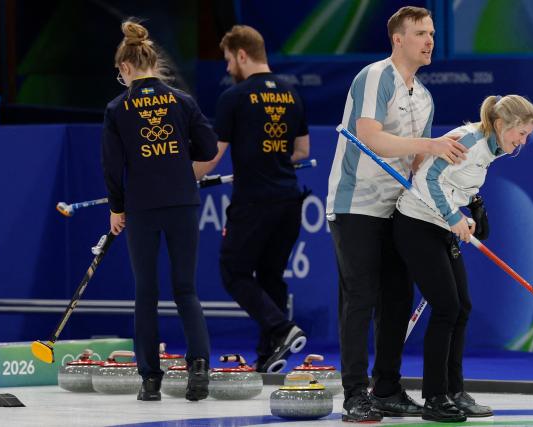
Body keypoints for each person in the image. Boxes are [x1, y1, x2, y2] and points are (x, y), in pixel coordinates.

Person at [326, 6, 469, 423]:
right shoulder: (374, 76)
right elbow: (370, 138)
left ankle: (386, 387)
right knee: (360, 296)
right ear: (398, 39)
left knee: (398, 298)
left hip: (399, 207)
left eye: (432, 34)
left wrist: (457, 197)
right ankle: (355, 394)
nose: (429, 41)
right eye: (421, 33)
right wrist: (430, 146)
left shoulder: (424, 95)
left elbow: (419, 164)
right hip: (357, 204)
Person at [394, 95, 533, 422]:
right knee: (447, 307)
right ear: (502, 125)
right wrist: (452, 216)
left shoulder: (491, 149)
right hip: (417, 225)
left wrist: (467, 211)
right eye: (521, 133)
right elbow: (426, 180)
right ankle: (435, 398)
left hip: (441, 225)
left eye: (528, 135)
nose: (523, 140)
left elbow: (452, 184)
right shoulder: (468, 141)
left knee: (462, 307)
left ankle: (454, 392)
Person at [101, 20, 218, 402]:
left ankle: (150, 380)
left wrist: (117, 209)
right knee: (186, 290)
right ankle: (198, 371)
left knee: (146, 294)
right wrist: (178, 156)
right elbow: (207, 147)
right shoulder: (182, 101)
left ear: (125, 68)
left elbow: (111, 165)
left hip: (142, 207)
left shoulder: (118, 108)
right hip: (183, 201)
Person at [193, 25, 310, 373]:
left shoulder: (234, 97)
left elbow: (212, 155)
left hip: (253, 202)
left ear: (242, 55)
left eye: (229, 60)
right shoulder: (292, 94)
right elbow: (302, 150)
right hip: (289, 201)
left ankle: (282, 329)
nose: (228, 68)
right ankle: (269, 353)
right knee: (271, 275)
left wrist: (180, 180)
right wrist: (272, 157)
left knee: (234, 271)